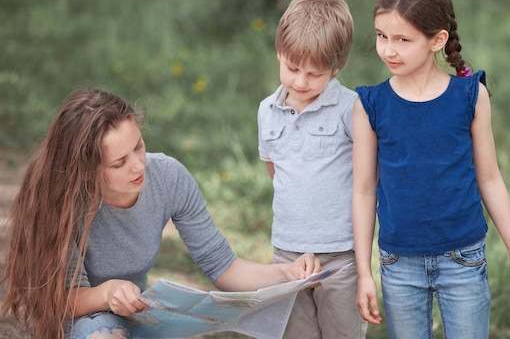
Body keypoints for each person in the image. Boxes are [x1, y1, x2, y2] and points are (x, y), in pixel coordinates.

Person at [0, 88, 321, 339]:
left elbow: (224, 267)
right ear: (86, 172)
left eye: (138, 146)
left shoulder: (168, 176)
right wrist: (109, 292)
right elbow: (60, 300)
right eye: (118, 162)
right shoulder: (64, 200)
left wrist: (286, 273)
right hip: (76, 322)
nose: (139, 165)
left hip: (134, 316)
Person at [352, 0, 510, 339]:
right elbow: (363, 190)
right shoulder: (370, 105)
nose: (388, 49)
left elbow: (490, 178)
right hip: (398, 263)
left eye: (402, 39)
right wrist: (363, 272)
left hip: (463, 260)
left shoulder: (469, 96)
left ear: (437, 40)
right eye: (381, 35)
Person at [257, 0, 366, 339]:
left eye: (314, 74)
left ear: (337, 67)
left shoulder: (351, 109)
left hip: (339, 253)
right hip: (287, 252)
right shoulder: (266, 112)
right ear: (279, 53)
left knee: (342, 332)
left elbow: (366, 177)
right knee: (294, 333)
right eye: (292, 68)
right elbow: (274, 169)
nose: (300, 81)